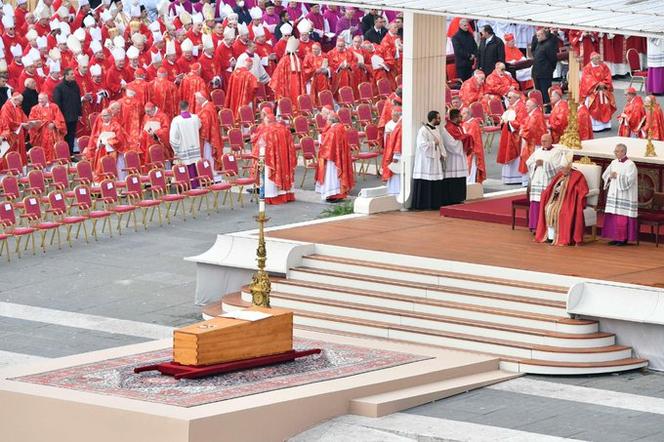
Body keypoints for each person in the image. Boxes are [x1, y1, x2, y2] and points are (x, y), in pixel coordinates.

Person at [535, 152, 589, 246]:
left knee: (561, 212)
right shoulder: (560, 175)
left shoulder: (578, 175)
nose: (562, 170)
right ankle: (550, 237)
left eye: (564, 168)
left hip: (569, 201)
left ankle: (562, 237)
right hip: (557, 199)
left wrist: (569, 189)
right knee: (549, 209)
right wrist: (554, 190)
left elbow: (583, 189)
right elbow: (551, 187)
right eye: (561, 168)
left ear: (569, 167)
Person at [254, 108, 297, 204]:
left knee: (271, 176)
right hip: (285, 158)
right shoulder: (284, 129)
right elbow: (291, 146)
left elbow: (261, 146)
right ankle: (286, 195)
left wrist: (256, 155)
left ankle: (273, 196)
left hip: (272, 159)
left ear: (267, 119)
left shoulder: (267, 131)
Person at [602, 143, 638, 246]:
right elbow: (605, 175)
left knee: (622, 219)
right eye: (615, 151)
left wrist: (617, 176)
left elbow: (630, 180)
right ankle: (615, 237)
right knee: (614, 217)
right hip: (614, 193)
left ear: (623, 152)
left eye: (617, 151)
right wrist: (610, 176)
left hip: (625, 194)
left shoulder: (630, 164)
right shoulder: (613, 162)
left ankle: (623, 239)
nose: (615, 153)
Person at [526, 134, 563, 231]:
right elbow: (529, 162)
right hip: (536, 180)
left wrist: (544, 164)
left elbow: (558, 167)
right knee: (535, 203)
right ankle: (535, 226)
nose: (543, 143)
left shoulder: (556, 152)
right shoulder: (537, 151)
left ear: (551, 141)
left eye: (545, 141)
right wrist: (535, 164)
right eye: (542, 141)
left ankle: (544, 227)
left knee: (545, 203)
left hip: (547, 181)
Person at [315, 111, 354, 202]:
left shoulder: (333, 130)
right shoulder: (341, 127)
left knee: (331, 176)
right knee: (338, 176)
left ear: (331, 120)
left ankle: (333, 194)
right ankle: (339, 193)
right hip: (339, 156)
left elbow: (327, 145)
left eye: (328, 120)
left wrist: (320, 138)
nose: (327, 122)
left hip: (332, 159)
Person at [412, 110, 445, 210]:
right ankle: (425, 204)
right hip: (426, 160)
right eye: (438, 118)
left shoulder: (436, 129)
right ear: (433, 119)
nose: (440, 120)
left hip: (435, 158)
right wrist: (433, 143)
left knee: (435, 180)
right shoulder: (423, 130)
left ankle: (435, 203)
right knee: (427, 180)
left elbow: (440, 142)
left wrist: (443, 153)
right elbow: (421, 145)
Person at [579, 52, 616, 132]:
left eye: (599, 58)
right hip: (593, 92)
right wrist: (597, 84)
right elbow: (586, 79)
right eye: (596, 59)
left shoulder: (604, 66)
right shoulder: (587, 68)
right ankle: (595, 126)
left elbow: (608, 76)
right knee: (594, 107)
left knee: (605, 106)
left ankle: (606, 125)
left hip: (603, 90)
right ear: (591, 59)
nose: (598, 60)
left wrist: (604, 83)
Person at [169, 100, 202, 187]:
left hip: (184, 147)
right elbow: (199, 126)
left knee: (186, 166)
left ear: (179, 108)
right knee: (194, 164)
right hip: (195, 145)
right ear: (188, 107)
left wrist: (176, 148)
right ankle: (196, 183)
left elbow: (173, 137)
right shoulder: (195, 118)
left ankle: (186, 185)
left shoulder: (176, 120)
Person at [497, 91, 527, 184]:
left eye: (510, 97)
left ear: (516, 97)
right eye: (508, 97)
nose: (508, 99)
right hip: (508, 133)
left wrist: (509, 122)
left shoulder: (521, 106)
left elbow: (522, 122)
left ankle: (516, 177)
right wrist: (504, 120)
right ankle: (509, 178)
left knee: (515, 155)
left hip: (515, 134)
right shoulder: (512, 106)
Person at [442, 108, 471, 205]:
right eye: (460, 116)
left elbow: (460, 138)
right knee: (454, 179)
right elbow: (450, 144)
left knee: (460, 178)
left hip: (460, 157)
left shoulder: (458, 127)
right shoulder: (448, 128)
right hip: (452, 158)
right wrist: (464, 139)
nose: (461, 118)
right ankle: (453, 198)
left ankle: (460, 197)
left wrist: (465, 138)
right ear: (455, 117)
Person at [28, 93, 67, 163]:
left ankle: (56, 166)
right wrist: (39, 124)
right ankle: (42, 167)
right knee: (41, 152)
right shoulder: (34, 109)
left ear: (47, 98)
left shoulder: (54, 107)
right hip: (41, 135)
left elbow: (60, 119)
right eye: (39, 99)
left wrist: (54, 124)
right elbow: (31, 121)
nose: (40, 101)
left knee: (54, 151)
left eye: (42, 99)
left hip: (53, 134)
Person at [268, 36, 305, 106]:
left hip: (285, 88)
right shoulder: (299, 60)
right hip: (297, 88)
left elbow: (277, 75)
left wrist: (274, 83)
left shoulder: (284, 60)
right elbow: (303, 76)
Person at [53, 68, 82, 154]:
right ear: (66, 76)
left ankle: (71, 153)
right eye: (71, 74)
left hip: (74, 115)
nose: (74, 75)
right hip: (64, 116)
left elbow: (78, 100)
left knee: (72, 135)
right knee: (65, 136)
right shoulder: (59, 88)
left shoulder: (75, 85)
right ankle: (65, 154)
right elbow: (58, 104)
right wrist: (60, 116)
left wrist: (79, 113)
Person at [519, 98, 547, 182]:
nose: (525, 107)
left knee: (532, 161)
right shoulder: (534, 113)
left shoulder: (535, 115)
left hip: (534, 143)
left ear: (533, 105)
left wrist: (522, 132)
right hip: (533, 142)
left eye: (527, 105)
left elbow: (531, 129)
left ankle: (531, 180)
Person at [0, 93, 30, 169]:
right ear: (15, 99)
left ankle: (18, 173)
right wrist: (21, 124)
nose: (20, 103)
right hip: (11, 136)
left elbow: (23, 117)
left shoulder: (17, 107)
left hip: (18, 135)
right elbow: (7, 122)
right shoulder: (6, 108)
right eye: (20, 101)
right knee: (10, 157)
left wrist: (28, 123)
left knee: (20, 155)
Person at [530, 28, 558, 106]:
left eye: (538, 36)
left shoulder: (549, 45)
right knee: (538, 93)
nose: (537, 37)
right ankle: (540, 107)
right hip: (536, 72)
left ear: (543, 35)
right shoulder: (539, 44)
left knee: (545, 93)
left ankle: (548, 108)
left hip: (545, 73)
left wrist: (550, 69)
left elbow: (553, 59)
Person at [381, 106, 402, 196]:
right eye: (392, 115)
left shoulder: (400, 125)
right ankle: (393, 190)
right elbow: (387, 140)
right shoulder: (389, 125)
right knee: (393, 171)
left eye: (395, 115)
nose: (393, 116)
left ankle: (397, 190)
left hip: (396, 151)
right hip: (391, 150)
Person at [461, 107, 486, 184]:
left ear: (468, 114)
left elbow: (471, 138)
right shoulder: (465, 123)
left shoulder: (474, 124)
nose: (461, 116)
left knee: (471, 169)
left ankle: (470, 184)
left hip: (472, 150)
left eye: (463, 114)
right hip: (465, 149)